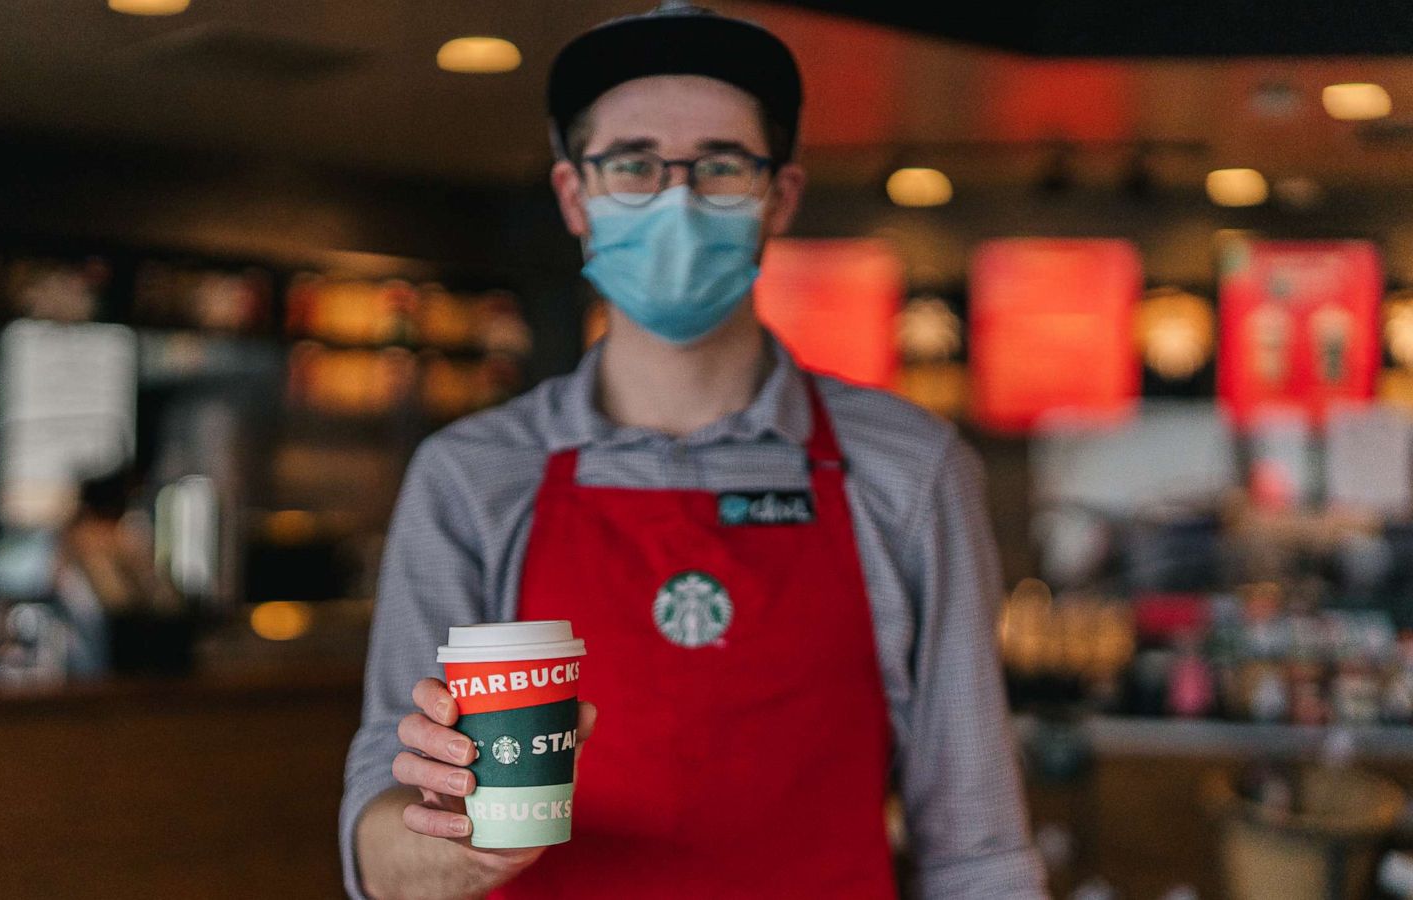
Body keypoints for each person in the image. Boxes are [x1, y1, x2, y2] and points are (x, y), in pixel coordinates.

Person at [341, 4, 1047, 898]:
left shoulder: (907, 469)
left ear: (777, 197)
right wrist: (448, 848)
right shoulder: (472, 477)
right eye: (632, 164)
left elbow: (976, 845)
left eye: (719, 166)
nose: (675, 198)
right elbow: (382, 819)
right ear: (575, 196)